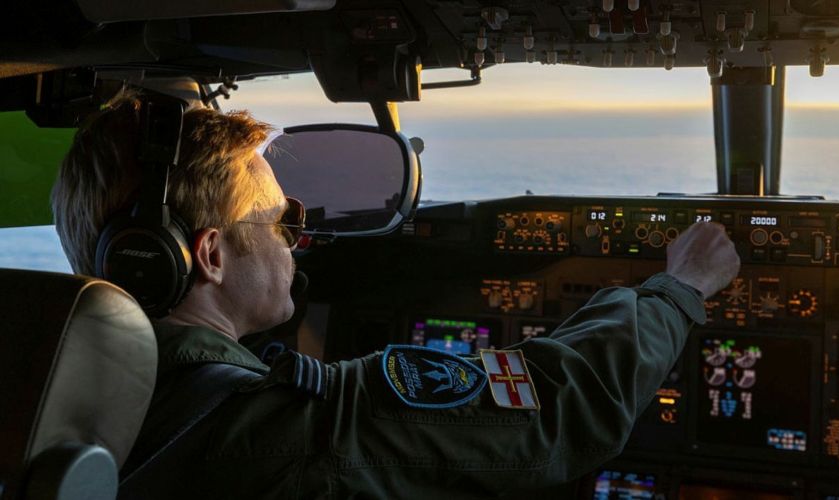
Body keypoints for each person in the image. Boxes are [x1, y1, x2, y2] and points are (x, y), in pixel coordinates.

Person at [52, 89, 740, 499]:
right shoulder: (292, 429)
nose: (298, 238)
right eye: (280, 219)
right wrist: (678, 288)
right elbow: (561, 409)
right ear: (209, 255)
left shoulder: (39, 393)